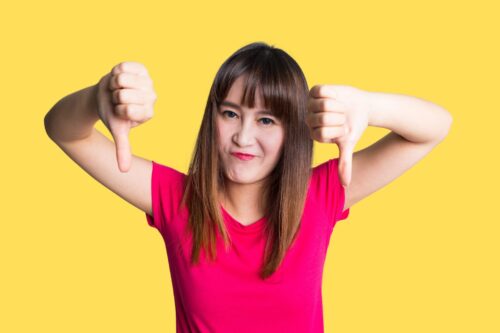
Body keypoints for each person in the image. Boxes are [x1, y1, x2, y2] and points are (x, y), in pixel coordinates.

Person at [44, 42, 452, 332]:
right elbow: (63, 131)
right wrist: (96, 97)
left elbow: (435, 127)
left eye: (266, 120)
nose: (242, 137)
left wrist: (370, 106)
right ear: (212, 118)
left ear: (292, 130)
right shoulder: (175, 200)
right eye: (230, 113)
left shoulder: (321, 196)